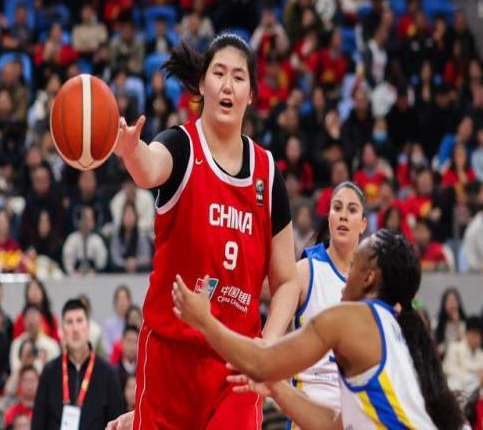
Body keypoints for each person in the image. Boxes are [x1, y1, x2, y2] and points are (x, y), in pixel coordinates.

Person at [107, 33, 299, 429]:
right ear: (202, 85)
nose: (228, 85)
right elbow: (149, 167)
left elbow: (286, 281)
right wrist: (130, 150)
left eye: (239, 77)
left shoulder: (266, 173)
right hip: (171, 357)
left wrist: (266, 347)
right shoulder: (181, 145)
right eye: (219, 73)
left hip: (236, 365)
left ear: (251, 94)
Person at [173, 229, 466, 429]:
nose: (345, 274)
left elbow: (261, 363)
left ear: (368, 278)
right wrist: (276, 387)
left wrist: (204, 321)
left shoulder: (353, 318)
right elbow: (333, 426)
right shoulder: (392, 328)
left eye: (354, 264)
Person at [289, 181, 367, 427]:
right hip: (311, 402)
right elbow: (274, 339)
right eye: (337, 208)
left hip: (356, 409)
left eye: (352, 210)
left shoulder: (372, 283)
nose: (343, 215)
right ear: (329, 217)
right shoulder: (305, 270)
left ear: (363, 224)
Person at [32, 299, 124, 430]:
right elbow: (38, 423)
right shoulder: (50, 372)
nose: (75, 329)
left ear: (88, 327)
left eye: (79, 321)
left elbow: (117, 423)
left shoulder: (107, 373)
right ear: (62, 330)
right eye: (69, 322)